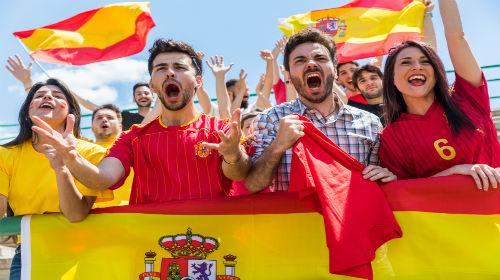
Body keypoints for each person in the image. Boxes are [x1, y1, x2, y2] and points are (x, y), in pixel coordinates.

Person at [31, 39, 251, 205]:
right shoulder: (133, 137)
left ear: (198, 81)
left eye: (180, 68)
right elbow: (102, 179)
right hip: (153, 251)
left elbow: (240, 173)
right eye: (161, 68)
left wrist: (233, 156)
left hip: (215, 250)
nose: (170, 73)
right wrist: (72, 159)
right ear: (153, 84)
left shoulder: (221, 130)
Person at [244, 29, 396, 193]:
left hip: (353, 218)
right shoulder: (270, 119)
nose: (310, 64)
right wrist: (277, 146)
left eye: (320, 58)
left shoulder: (370, 123)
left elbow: (378, 184)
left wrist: (387, 177)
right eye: (300, 60)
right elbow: (253, 185)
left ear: (335, 70)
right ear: (289, 73)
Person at [378, 0, 500, 190]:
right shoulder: (391, 136)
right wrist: (455, 172)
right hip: (447, 219)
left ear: (436, 72)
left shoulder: (467, 98)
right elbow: (405, 192)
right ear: (391, 79)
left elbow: (456, 36)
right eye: (406, 62)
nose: (417, 66)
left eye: (425, 61)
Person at [0, 78, 110, 279]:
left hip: (85, 251)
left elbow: (76, 214)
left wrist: (61, 169)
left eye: (57, 96)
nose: (48, 96)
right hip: (29, 253)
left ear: (72, 114)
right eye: (40, 95)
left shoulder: (92, 152)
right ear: (27, 110)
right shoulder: (5, 154)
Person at [5, 55, 153, 131]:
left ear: (153, 94)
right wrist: (27, 82)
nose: (143, 96)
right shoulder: (126, 117)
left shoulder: (162, 114)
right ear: (134, 99)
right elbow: (94, 108)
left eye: (146, 93)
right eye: (138, 94)